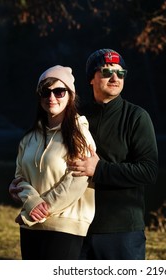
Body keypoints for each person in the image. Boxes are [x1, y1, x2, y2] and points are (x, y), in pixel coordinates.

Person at [67, 48, 159, 260]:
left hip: (122, 230)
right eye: (107, 72)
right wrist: (25, 183)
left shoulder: (136, 117)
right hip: (77, 226)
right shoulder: (76, 116)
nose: (115, 78)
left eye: (121, 73)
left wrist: (99, 169)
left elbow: (148, 171)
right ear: (92, 78)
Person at [10, 65, 96, 260]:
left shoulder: (80, 135)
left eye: (59, 91)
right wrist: (32, 203)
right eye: (45, 92)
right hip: (31, 225)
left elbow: (77, 181)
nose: (52, 97)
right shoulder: (29, 138)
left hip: (65, 227)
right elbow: (19, 178)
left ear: (70, 96)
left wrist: (40, 209)